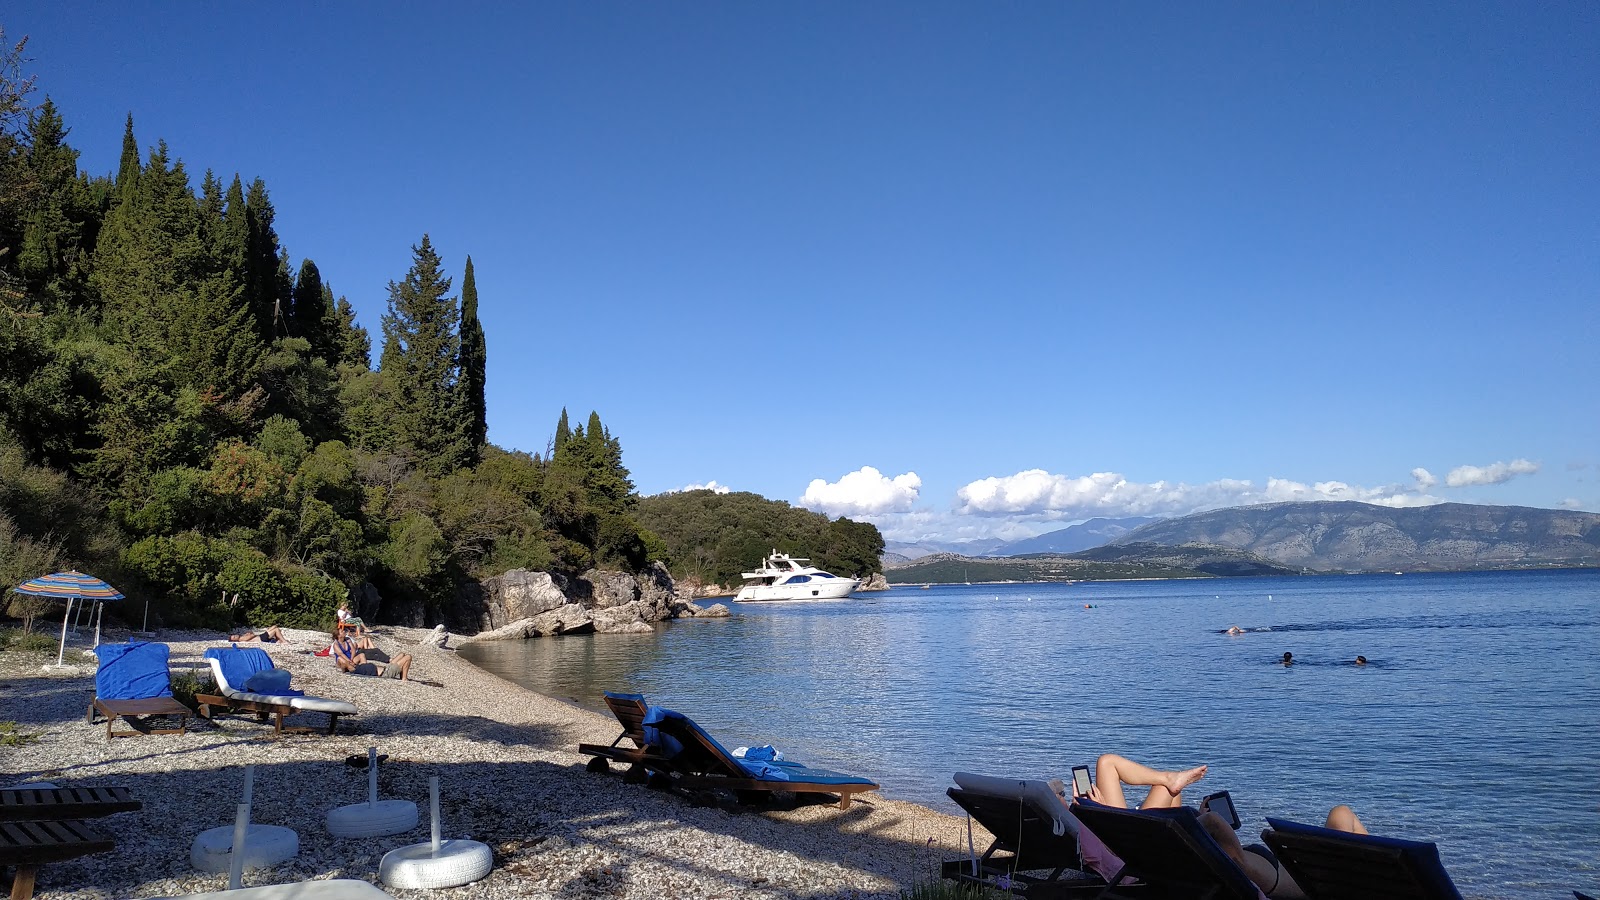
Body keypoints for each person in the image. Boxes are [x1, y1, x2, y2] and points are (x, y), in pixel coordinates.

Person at [1199, 803, 1368, 899]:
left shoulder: (1199, 858)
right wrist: (1198, 820)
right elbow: (1213, 821)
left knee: (1341, 814)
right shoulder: (1240, 864)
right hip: (1310, 882)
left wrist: (1194, 822)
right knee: (1341, 813)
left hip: (1300, 871)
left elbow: (1210, 824)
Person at [331, 632, 411, 680]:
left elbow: (351, 651)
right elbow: (341, 659)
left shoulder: (358, 666)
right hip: (385, 672)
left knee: (402, 654)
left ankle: (401, 675)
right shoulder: (353, 669)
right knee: (408, 657)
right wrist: (347, 663)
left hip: (387, 668)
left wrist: (350, 661)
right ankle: (404, 678)